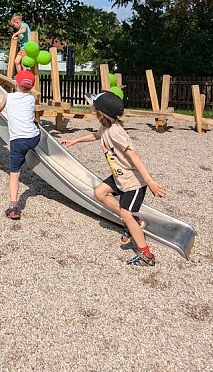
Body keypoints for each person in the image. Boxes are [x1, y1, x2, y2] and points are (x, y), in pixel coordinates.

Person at [60, 91, 166, 266]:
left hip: (133, 181)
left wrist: (150, 181)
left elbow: (134, 155)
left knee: (125, 213)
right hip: (119, 176)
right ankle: (135, 221)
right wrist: (74, 141)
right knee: (100, 193)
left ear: (100, 112)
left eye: (94, 107)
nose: (92, 109)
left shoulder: (116, 132)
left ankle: (146, 255)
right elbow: (96, 135)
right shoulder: (106, 127)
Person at [0, 69, 41, 220]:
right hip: (34, 138)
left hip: (18, 141)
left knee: (14, 174)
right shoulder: (31, 99)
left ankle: (13, 207)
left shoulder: (8, 97)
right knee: (34, 123)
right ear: (30, 87)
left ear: (16, 83)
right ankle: (32, 150)